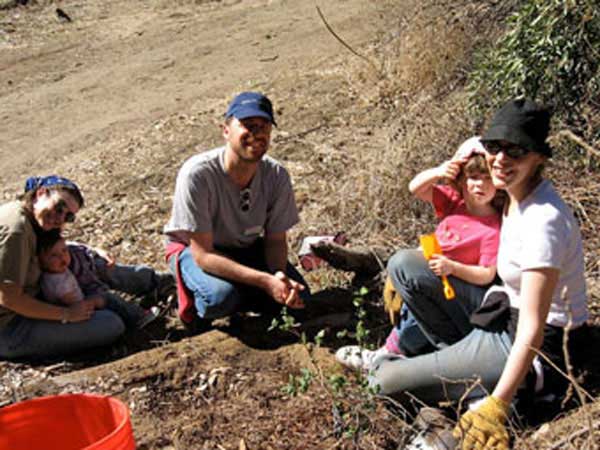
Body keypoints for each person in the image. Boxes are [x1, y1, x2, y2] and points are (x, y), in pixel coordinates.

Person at [368, 99, 589, 450]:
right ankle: (460, 372)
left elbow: (533, 326)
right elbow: (461, 164)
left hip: (531, 345)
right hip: (499, 314)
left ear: (539, 158)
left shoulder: (543, 221)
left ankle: (492, 393)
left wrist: (495, 407)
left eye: (516, 150)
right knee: (406, 265)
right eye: (494, 147)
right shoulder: (512, 194)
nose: (501, 159)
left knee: (381, 380)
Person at [336, 137, 502, 369]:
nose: (480, 185)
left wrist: (453, 268)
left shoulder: (492, 227)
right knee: (415, 297)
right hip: (435, 276)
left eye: (488, 179)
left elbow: (486, 274)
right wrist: (440, 171)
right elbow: (415, 188)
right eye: (473, 177)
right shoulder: (455, 202)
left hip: (460, 290)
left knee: (413, 283)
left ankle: (392, 353)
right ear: (461, 180)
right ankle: (401, 352)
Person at [164, 92, 309, 328]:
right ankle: (184, 295)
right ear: (226, 130)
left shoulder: (276, 175)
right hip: (194, 249)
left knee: (298, 301)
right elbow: (203, 254)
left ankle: (243, 291)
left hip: (246, 246)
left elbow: (274, 241)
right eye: (248, 125)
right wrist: (264, 281)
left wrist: (279, 274)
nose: (257, 134)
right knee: (219, 299)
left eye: (264, 126)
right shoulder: (198, 174)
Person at [0, 176, 126, 359]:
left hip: (35, 296)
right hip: (9, 326)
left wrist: (91, 250)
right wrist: (66, 314)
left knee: (93, 261)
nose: (60, 219)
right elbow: (9, 298)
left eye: (68, 216)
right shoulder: (16, 230)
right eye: (59, 207)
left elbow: (50, 247)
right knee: (110, 324)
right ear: (41, 193)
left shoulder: (31, 217)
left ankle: (157, 281)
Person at [38, 231, 163, 330]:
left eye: (64, 251)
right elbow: (72, 303)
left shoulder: (56, 270)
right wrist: (92, 302)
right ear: (41, 261)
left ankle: (155, 285)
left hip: (81, 301)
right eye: (54, 256)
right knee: (109, 299)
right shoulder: (58, 282)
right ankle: (138, 317)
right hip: (79, 307)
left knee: (107, 295)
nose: (62, 257)